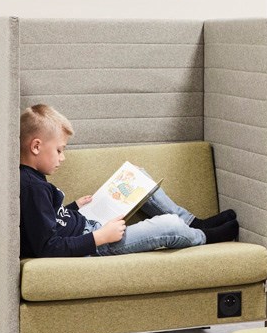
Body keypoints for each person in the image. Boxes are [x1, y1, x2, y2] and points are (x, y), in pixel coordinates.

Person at [19, 104, 238, 258]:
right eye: (59, 150)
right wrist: (99, 237)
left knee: (137, 176)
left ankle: (192, 222)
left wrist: (73, 207)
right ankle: (203, 235)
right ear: (36, 146)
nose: (62, 158)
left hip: (88, 224)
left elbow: (48, 221)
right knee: (169, 225)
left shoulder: (33, 179)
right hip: (92, 244)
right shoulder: (31, 186)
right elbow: (48, 247)